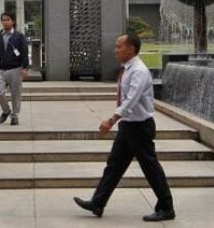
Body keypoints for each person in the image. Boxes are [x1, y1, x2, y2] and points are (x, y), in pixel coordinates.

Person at [73, 33, 175, 222]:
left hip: (140, 127)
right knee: (114, 165)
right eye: (116, 46)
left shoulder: (139, 71)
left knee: (150, 167)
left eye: (119, 46)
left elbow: (131, 101)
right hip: (128, 126)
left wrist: (111, 120)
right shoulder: (127, 68)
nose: (116, 50)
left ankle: (166, 207)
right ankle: (97, 202)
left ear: (131, 49)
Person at [0, 11, 29, 126]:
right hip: (1, 70)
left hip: (16, 69)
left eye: (8, 20)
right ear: (1, 21)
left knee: (15, 94)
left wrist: (25, 67)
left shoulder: (19, 36)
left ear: (12, 21)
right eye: (4, 20)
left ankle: (15, 115)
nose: (6, 22)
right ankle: (6, 110)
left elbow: (24, 53)